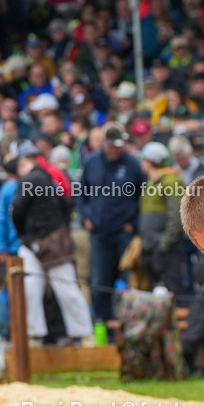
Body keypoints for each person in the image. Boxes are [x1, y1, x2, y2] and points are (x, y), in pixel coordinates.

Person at [11, 152, 93, 344]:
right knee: (59, 288)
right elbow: (67, 205)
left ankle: (35, 336)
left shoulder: (30, 179)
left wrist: (24, 234)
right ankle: (83, 334)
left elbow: (17, 210)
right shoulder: (50, 177)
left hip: (43, 241)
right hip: (51, 238)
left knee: (40, 288)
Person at [78, 122, 145, 322]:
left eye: (118, 146)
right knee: (100, 282)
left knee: (127, 280)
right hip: (99, 232)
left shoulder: (132, 164)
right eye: (111, 146)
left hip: (124, 232)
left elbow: (142, 196)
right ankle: (103, 327)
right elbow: (81, 194)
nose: (114, 150)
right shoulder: (91, 162)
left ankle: (128, 325)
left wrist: (133, 222)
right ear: (104, 144)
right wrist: (86, 217)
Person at [137, 142, 186, 299]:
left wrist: (164, 245)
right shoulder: (152, 181)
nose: (141, 162)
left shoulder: (171, 181)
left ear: (151, 161)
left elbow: (176, 217)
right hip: (152, 249)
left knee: (173, 293)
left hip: (166, 251)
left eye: (143, 159)